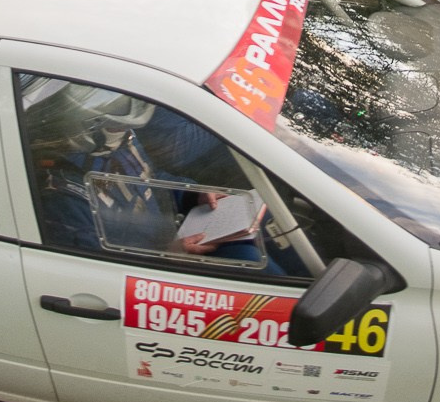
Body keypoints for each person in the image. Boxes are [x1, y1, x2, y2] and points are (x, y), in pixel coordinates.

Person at [21, 78, 267, 265]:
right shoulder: (63, 198)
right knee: (256, 264)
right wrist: (169, 254)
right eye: (117, 125)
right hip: (165, 262)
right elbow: (101, 266)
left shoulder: (115, 143)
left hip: (180, 232)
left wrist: (194, 193)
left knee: (263, 231)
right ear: (87, 129)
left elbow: (152, 177)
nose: (125, 130)